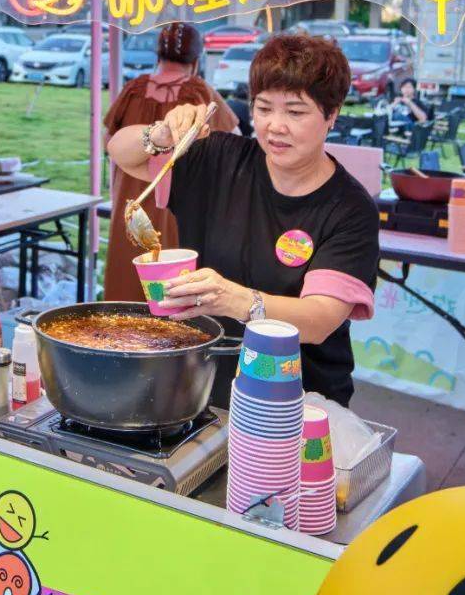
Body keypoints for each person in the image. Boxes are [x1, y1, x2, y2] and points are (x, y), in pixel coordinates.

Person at [107, 33, 379, 405]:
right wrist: (161, 134)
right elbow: (121, 152)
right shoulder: (220, 160)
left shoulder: (349, 208)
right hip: (203, 385)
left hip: (296, 399)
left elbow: (318, 319)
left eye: (295, 112)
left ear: (331, 115)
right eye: (264, 108)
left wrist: (236, 300)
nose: (275, 126)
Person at [102, 23, 237, 303]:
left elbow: (108, 140)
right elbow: (233, 139)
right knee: (172, 274)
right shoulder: (200, 92)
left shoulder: (133, 89)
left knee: (127, 267)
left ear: (158, 56)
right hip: (178, 201)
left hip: (130, 197)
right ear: (197, 60)